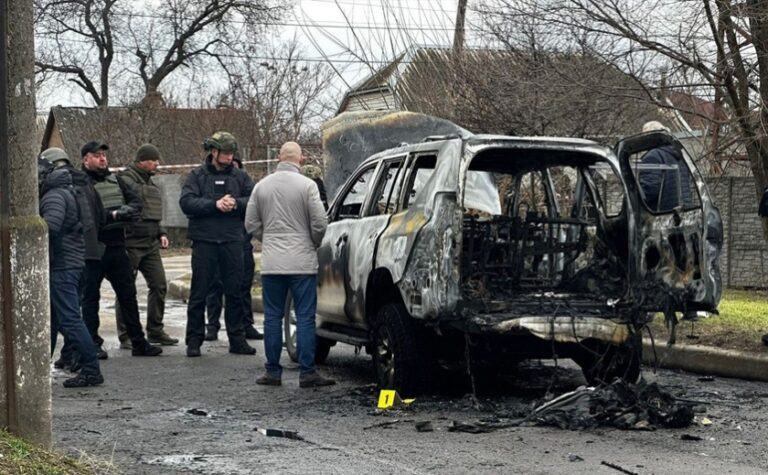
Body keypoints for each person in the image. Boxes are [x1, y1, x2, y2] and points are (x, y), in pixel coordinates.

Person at [245, 141, 334, 388]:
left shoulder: (261, 186)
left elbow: (251, 224)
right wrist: (311, 243)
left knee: (272, 317)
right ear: (301, 160)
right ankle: (307, 372)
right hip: (302, 263)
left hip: (273, 262)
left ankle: (273, 372)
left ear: (278, 158)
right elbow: (320, 223)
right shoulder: (308, 186)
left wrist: (270, 239)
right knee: (305, 317)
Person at [80, 140, 162, 357]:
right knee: (90, 299)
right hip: (94, 249)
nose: (102, 159)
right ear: (85, 158)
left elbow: (137, 202)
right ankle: (93, 345)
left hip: (117, 246)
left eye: (104, 155)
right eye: (97, 155)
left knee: (128, 295)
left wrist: (129, 211)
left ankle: (138, 342)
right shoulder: (80, 184)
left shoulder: (116, 180)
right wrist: (114, 215)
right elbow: (87, 215)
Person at [179, 131, 256, 357]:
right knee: (199, 292)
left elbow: (254, 200)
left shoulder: (241, 177)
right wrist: (214, 205)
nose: (230, 157)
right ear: (213, 152)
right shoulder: (197, 176)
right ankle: (194, 340)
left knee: (235, 292)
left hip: (233, 240)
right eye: (226, 153)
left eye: (232, 153)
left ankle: (237, 339)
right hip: (205, 241)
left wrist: (236, 204)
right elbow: (186, 202)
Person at [39, 148, 104, 387]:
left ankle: (91, 369)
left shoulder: (55, 195)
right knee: (55, 320)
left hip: (63, 266)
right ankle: (38, 368)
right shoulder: (70, 190)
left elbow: (50, 228)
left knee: (69, 320)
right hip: (73, 263)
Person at [114, 144, 178, 348]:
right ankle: (126, 335)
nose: (157, 163)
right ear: (142, 160)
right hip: (130, 242)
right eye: (154, 160)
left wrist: (162, 233)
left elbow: (152, 212)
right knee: (125, 289)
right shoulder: (124, 180)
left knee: (159, 285)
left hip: (150, 243)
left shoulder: (150, 182)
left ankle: (155, 331)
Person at [204, 154, 263, 342]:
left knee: (242, 285)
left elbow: (254, 203)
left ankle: (246, 324)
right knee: (215, 286)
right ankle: (212, 326)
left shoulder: (244, 183)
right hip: (216, 240)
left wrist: (236, 203)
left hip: (241, 241)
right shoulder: (208, 180)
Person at [638, 121, 692, 212]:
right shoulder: (679, 156)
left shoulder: (652, 156)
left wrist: (633, 195)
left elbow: (649, 191)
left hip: (664, 216)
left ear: (650, 137)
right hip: (684, 213)